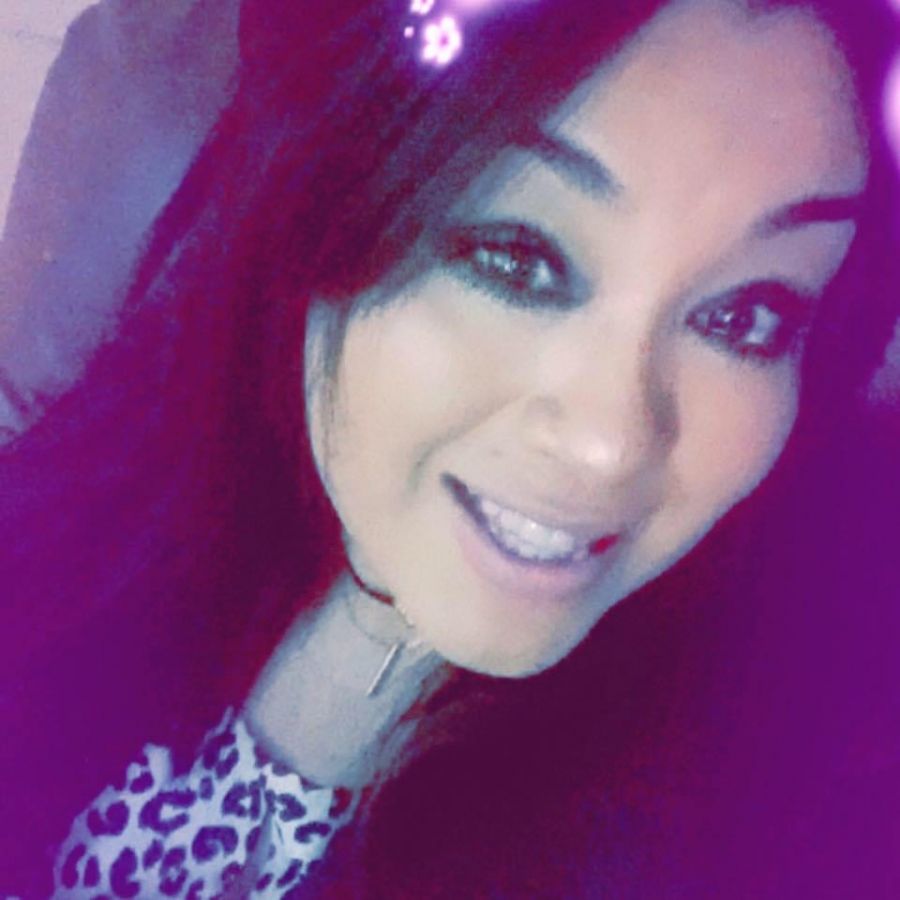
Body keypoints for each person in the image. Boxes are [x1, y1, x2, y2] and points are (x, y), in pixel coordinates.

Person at [1, 0, 898, 895]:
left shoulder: (793, 761)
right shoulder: (102, 505)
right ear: (322, 202)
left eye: (747, 315)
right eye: (516, 256)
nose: (611, 443)